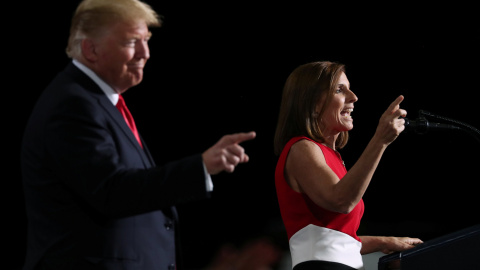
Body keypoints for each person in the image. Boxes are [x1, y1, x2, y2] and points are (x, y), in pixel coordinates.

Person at [20, 0, 255, 269]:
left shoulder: (97, 101)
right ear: (91, 48)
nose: (145, 53)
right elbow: (112, 191)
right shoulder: (72, 105)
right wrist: (200, 166)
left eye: (146, 40)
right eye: (131, 42)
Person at [273, 61, 423, 270]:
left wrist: (385, 241)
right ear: (313, 103)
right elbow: (342, 201)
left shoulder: (331, 157)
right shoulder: (301, 148)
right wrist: (380, 140)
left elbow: (336, 240)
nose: (354, 97)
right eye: (339, 89)